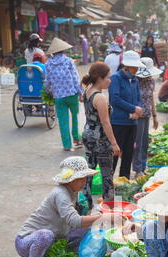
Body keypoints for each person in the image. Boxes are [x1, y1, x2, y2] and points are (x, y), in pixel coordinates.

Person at [15, 157, 101, 257]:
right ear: (71, 180)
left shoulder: (73, 191)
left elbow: (74, 219)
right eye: (82, 178)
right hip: (25, 242)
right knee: (46, 236)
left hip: (55, 235)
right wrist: (102, 217)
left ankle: (68, 252)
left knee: (86, 228)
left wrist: (95, 217)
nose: (85, 181)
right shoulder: (60, 193)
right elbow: (74, 220)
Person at [81, 62, 121, 201]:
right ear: (100, 78)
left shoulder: (87, 91)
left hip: (88, 135)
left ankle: (84, 205)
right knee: (107, 176)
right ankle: (109, 208)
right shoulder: (100, 98)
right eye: (108, 77)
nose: (110, 80)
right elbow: (105, 122)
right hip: (100, 139)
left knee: (88, 172)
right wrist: (114, 144)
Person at [108, 50, 143, 179]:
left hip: (133, 122)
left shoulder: (135, 80)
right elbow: (115, 99)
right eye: (135, 67)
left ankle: (124, 180)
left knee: (128, 153)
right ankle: (108, 182)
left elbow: (138, 98)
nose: (137, 69)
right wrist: (133, 109)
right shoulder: (115, 78)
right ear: (127, 66)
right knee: (115, 152)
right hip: (119, 122)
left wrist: (137, 111)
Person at [45, 38, 83, 152]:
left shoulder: (48, 63)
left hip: (59, 96)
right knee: (75, 117)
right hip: (71, 94)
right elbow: (75, 78)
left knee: (63, 121)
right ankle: (76, 139)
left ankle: (66, 145)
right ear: (63, 50)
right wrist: (80, 92)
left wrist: (48, 92)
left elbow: (47, 81)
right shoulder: (69, 61)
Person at [133, 57, 161, 178]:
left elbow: (151, 99)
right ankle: (137, 169)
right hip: (136, 116)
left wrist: (155, 116)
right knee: (137, 143)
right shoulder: (134, 81)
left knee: (145, 143)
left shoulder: (150, 81)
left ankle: (143, 167)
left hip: (147, 115)